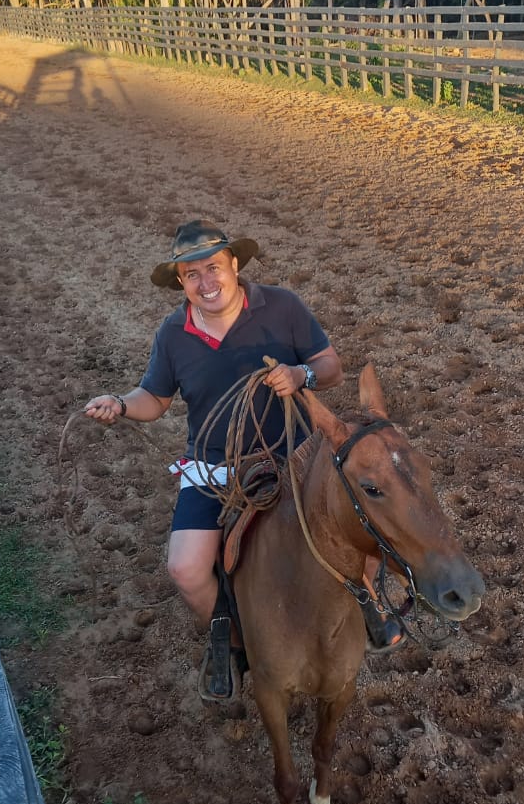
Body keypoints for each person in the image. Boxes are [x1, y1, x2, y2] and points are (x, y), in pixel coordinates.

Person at [84, 220, 345, 695]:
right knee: (185, 568)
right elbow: (155, 399)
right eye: (191, 275)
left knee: (354, 526)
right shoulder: (173, 333)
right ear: (180, 283)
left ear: (234, 265)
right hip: (214, 466)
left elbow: (331, 367)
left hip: (295, 456)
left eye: (213, 268)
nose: (206, 283)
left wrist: (300, 374)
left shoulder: (282, 306)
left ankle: (372, 611)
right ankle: (239, 641)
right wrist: (121, 404)